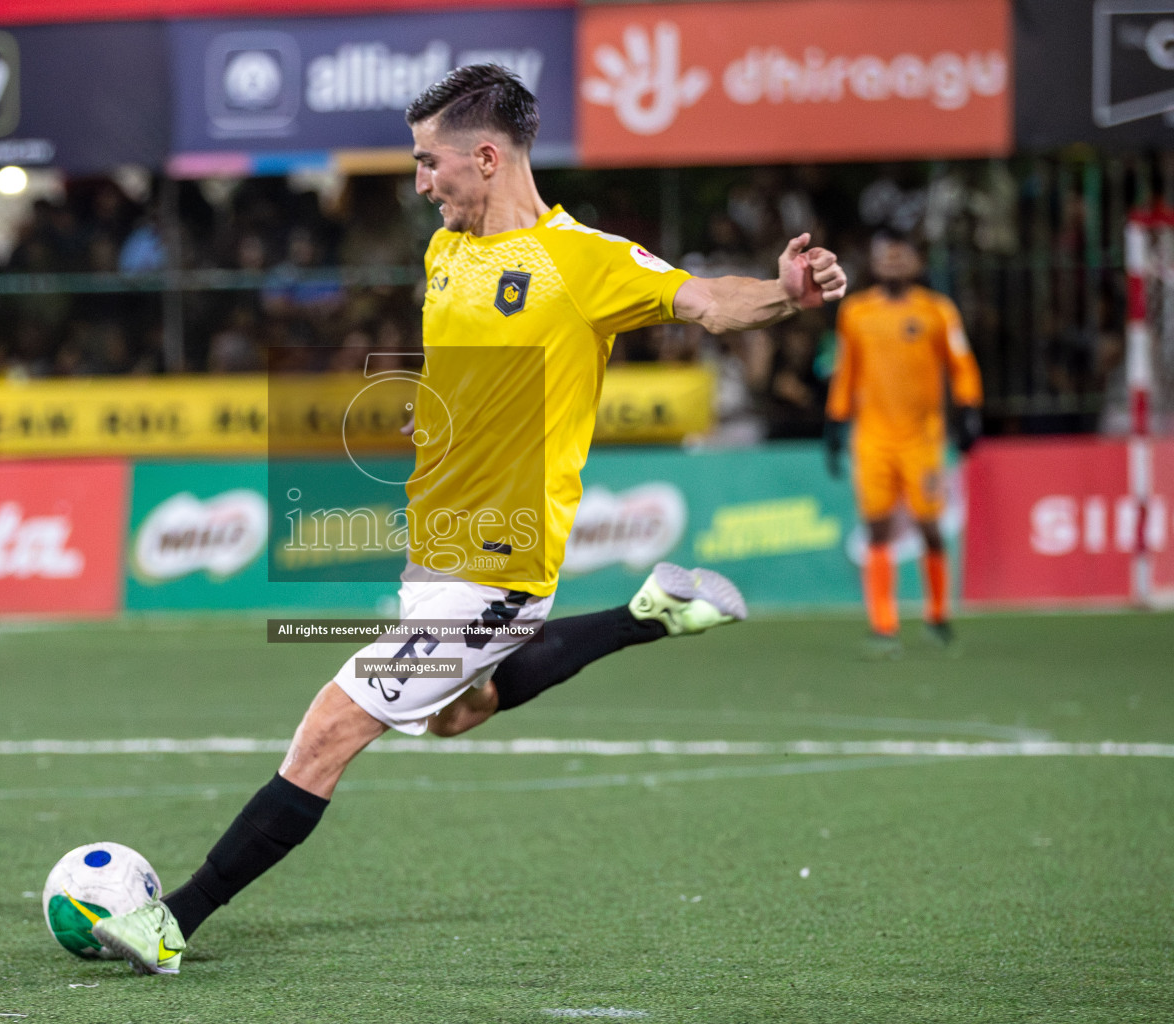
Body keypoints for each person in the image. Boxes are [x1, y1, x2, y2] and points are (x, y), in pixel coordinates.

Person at [90, 65, 847, 975]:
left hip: (499, 564)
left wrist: (787, 293)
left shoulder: (586, 263)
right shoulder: (445, 254)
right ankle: (645, 615)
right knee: (457, 715)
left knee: (328, 730)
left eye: (427, 163)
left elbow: (709, 301)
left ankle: (172, 921)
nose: (419, 185)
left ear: (486, 158)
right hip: (435, 551)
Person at [823, 231, 982, 653]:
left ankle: (937, 615)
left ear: (916, 262)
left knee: (930, 527)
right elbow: (846, 371)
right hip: (872, 438)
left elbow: (961, 363)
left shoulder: (936, 310)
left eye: (901, 255)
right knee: (877, 530)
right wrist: (835, 423)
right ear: (874, 263)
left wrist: (969, 409)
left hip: (923, 439)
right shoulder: (856, 312)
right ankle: (883, 625)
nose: (893, 262)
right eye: (885, 256)